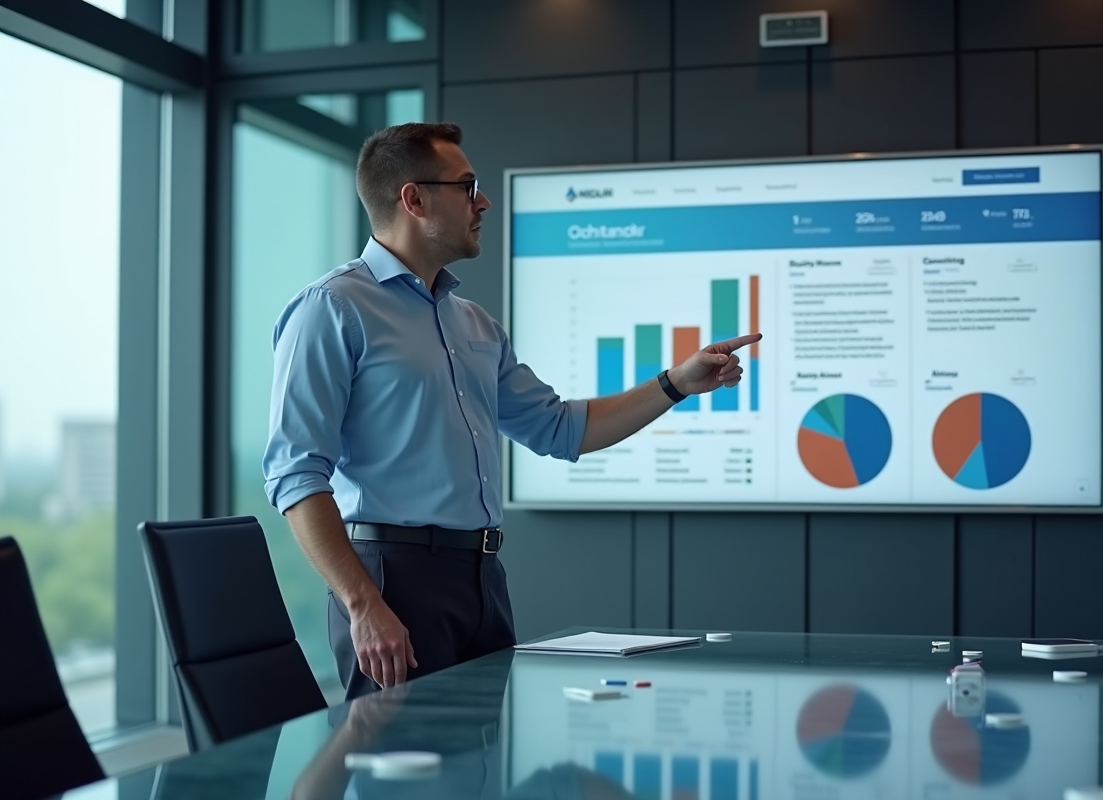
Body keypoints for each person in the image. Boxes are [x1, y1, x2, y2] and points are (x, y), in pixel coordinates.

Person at [264, 122, 761, 700]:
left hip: (482, 577)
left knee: (482, 751)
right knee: (401, 754)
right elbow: (296, 476)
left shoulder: (473, 322)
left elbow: (561, 428)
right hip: (389, 579)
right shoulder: (331, 308)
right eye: (467, 186)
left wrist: (676, 384)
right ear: (414, 199)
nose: (484, 202)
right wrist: (362, 603)